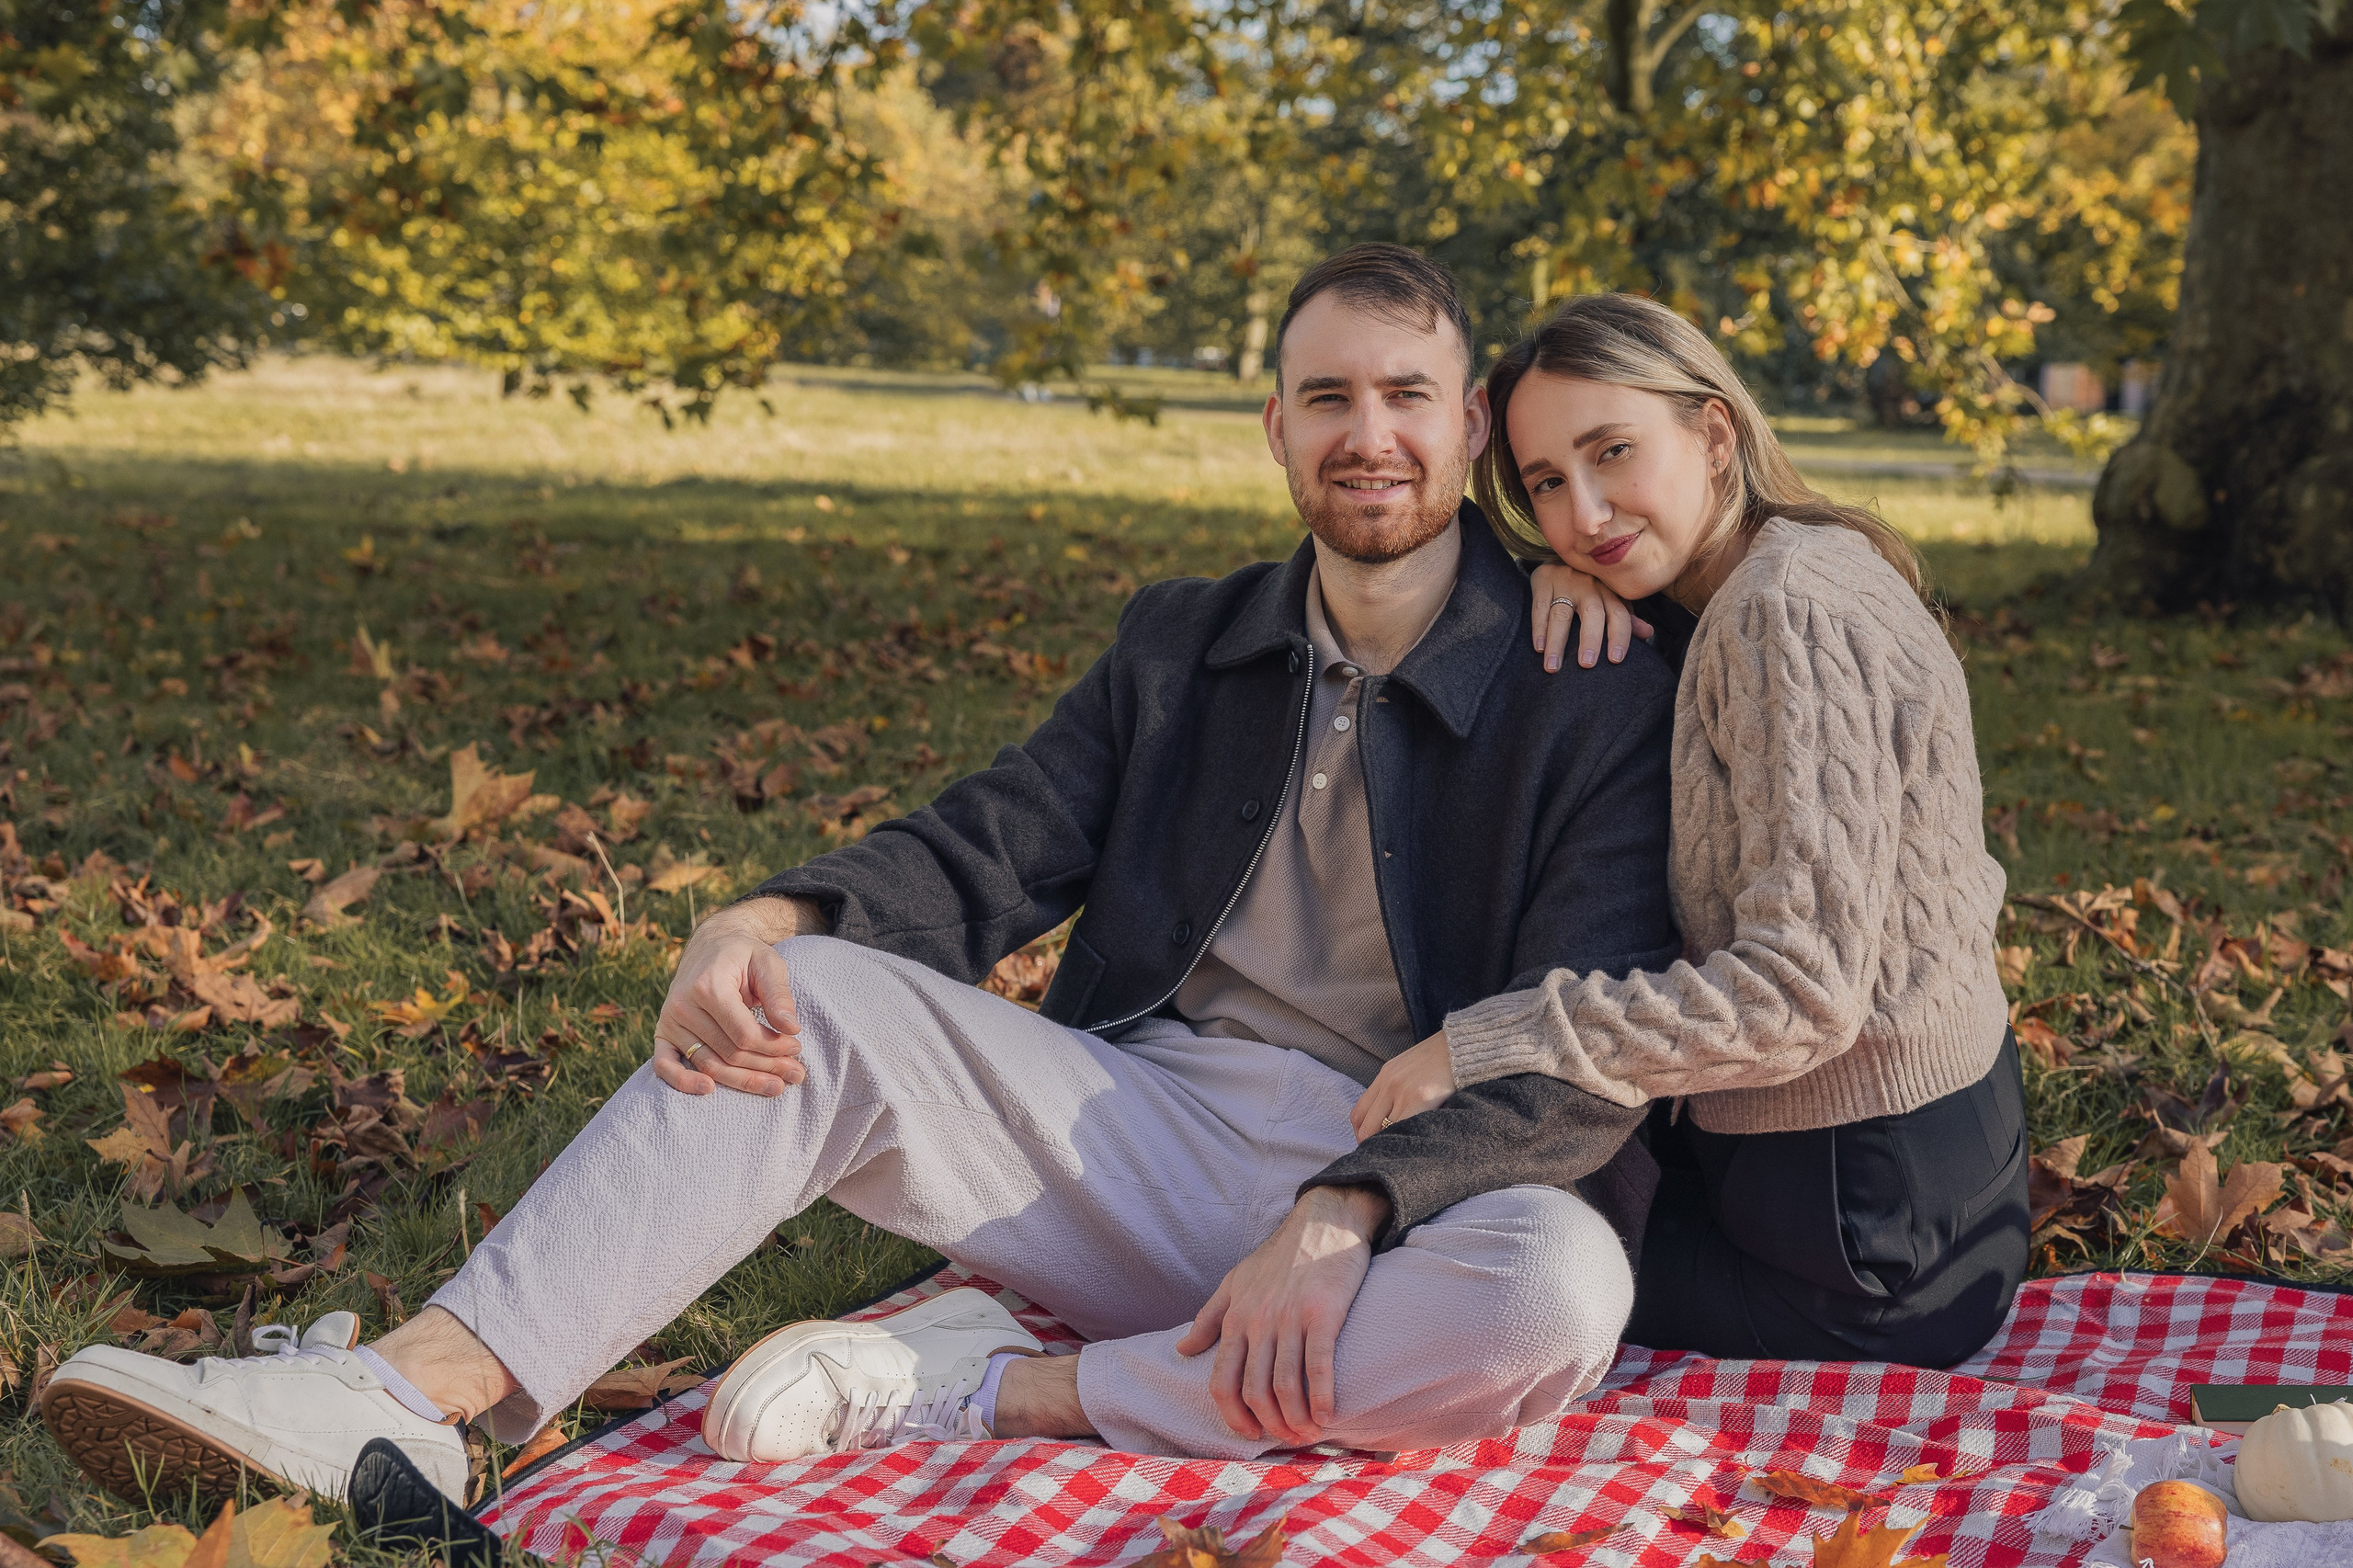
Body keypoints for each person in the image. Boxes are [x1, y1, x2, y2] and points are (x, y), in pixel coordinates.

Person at [44, 245, 1681, 1506]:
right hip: (1133, 1143)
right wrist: (760, 916)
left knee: (1554, 1294)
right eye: (1327, 397)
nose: (1369, 435)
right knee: (801, 997)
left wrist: (1353, 1205)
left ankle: (988, 1382)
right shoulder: (1185, 642)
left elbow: (1584, 1036)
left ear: (1468, 424)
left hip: (1412, 1185)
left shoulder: (1588, 673)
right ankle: (409, 1401)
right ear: (1275, 427)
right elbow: (997, 837)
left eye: (1407, 396)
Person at [1350, 292, 2029, 1368]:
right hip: (1953, 1178)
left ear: (1713, 433)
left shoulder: (1778, 615)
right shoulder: (1798, 561)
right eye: (1544, 485)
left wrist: (1486, 1040)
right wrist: (1549, 573)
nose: (1584, 510)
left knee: (1462, 1256)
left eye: (1612, 451)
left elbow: (1798, 993)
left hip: (1859, 1249)